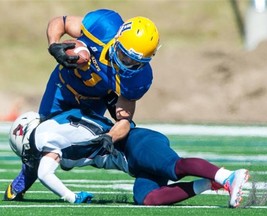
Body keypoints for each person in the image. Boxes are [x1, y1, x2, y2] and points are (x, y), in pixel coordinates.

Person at [4, 8, 160, 202]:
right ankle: (25, 177)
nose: (127, 63)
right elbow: (59, 22)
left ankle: (148, 168)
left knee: (77, 150)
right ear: (118, 38)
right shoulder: (104, 26)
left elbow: (125, 119)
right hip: (62, 87)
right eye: (124, 55)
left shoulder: (139, 78)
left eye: (136, 62)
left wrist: (110, 137)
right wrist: (53, 45)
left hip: (95, 100)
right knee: (41, 138)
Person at [6, 109, 249, 207]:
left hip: (135, 142)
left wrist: (70, 197)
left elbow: (43, 172)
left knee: (174, 168)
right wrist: (15, 189)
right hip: (130, 161)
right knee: (147, 198)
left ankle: (228, 176)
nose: (30, 156)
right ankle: (209, 183)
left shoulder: (43, 135)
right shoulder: (54, 129)